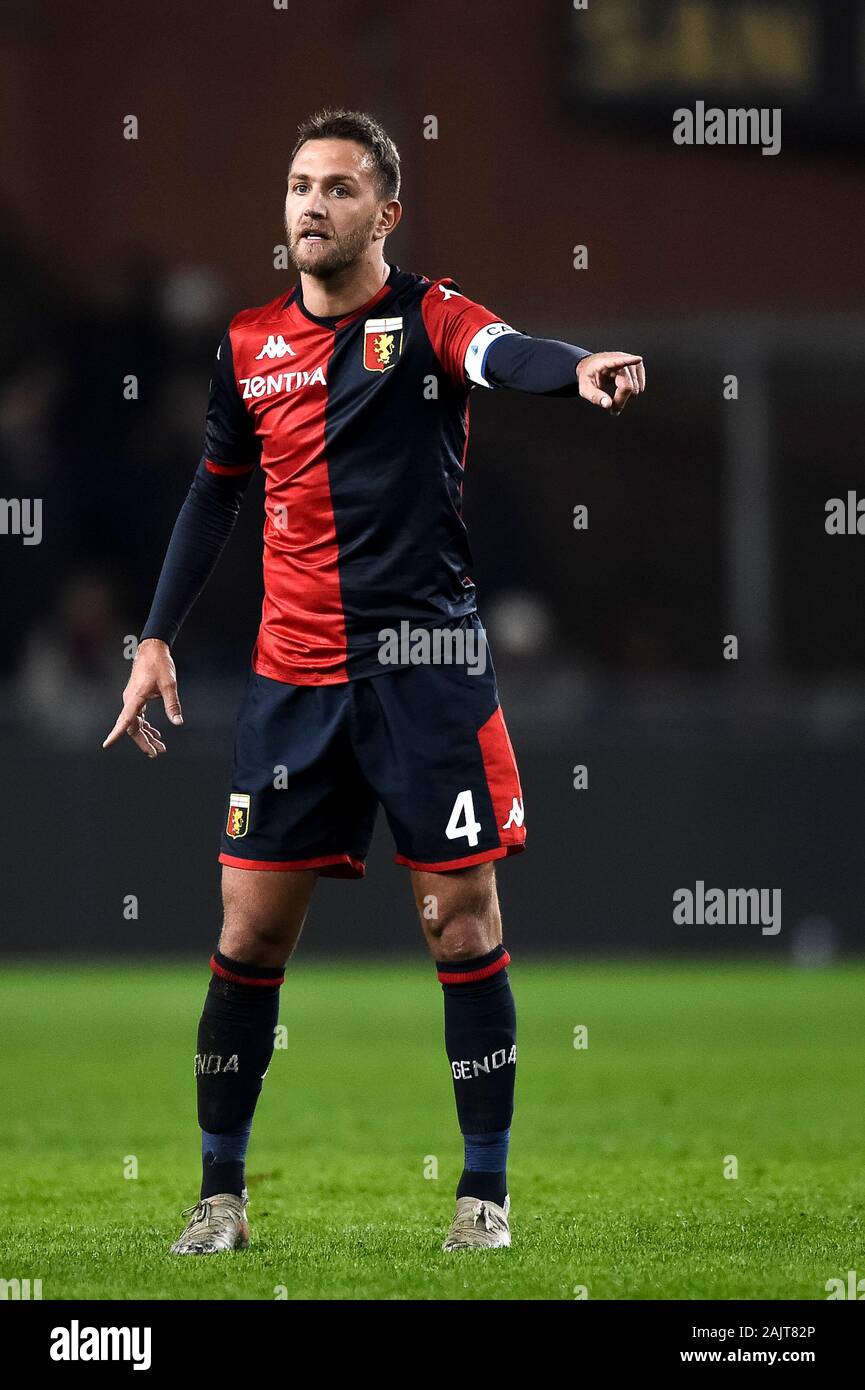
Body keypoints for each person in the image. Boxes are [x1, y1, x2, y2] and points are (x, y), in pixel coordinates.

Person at [103, 108, 645, 1256]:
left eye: (339, 188)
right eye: (299, 184)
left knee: (458, 922)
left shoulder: (430, 317)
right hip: (293, 682)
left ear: (383, 213)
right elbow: (213, 491)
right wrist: (154, 636)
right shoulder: (247, 345)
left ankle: (482, 1200)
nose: (311, 205)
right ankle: (218, 1198)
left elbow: (506, 353)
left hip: (426, 674)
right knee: (248, 936)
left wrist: (577, 369)